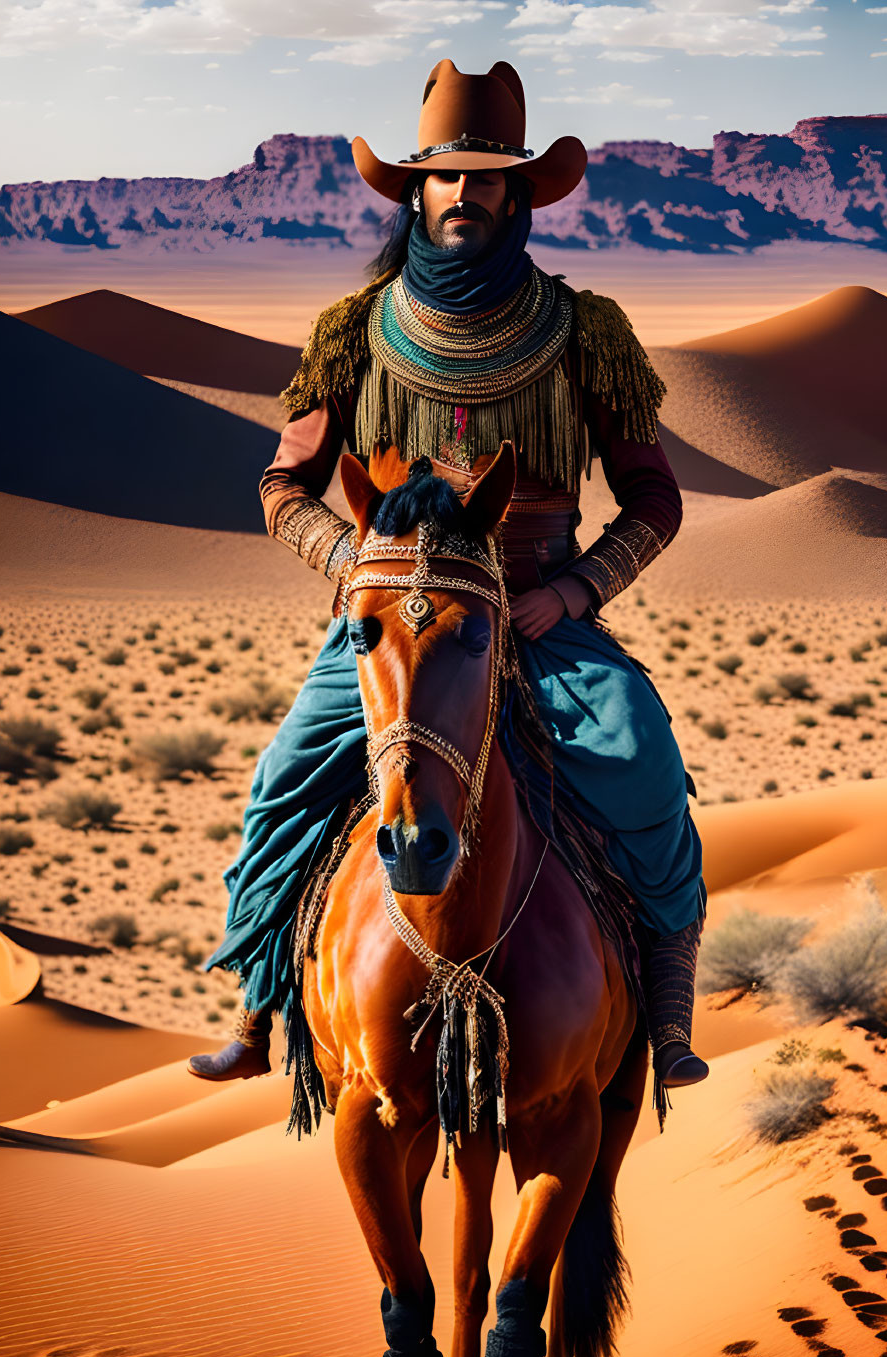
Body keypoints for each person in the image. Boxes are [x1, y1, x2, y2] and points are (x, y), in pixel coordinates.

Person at [191, 57, 710, 1106]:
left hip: (540, 619)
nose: (465, 193)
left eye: (487, 176)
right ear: (415, 191)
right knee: (283, 775)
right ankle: (256, 1008)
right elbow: (282, 485)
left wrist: (569, 596)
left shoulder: (587, 334)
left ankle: (665, 1014)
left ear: (518, 194)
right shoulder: (351, 333)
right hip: (396, 627)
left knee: (642, 756)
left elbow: (657, 500)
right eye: (446, 176)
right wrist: (355, 568)